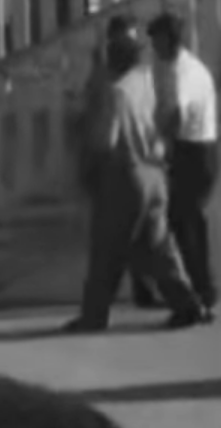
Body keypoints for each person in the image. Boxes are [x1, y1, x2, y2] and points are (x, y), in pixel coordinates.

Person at [64, 21, 210, 333]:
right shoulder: (145, 82)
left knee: (106, 249)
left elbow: (106, 139)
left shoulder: (115, 93)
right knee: (159, 246)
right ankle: (188, 304)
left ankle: (94, 316)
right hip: (154, 174)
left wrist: (79, 128)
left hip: (125, 175)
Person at [148, 12, 221, 312]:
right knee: (188, 223)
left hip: (194, 152)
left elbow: (177, 114)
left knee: (184, 225)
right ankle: (201, 289)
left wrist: (161, 144)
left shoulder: (184, 72)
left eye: (156, 41)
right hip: (197, 150)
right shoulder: (177, 67)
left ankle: (200, 293)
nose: (154, 47)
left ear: (169, 40)